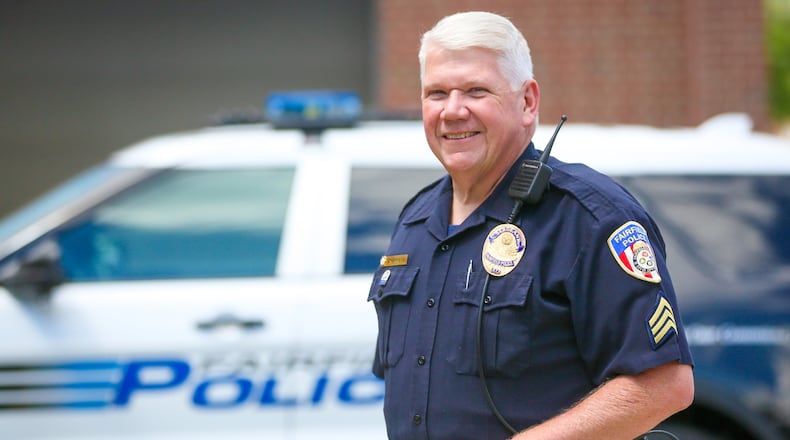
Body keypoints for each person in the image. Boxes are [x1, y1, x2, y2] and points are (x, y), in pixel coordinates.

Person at [368, 10, 694, 440]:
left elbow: (664, 384)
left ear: (527, 102)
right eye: (436, 93)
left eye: (475, 91)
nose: (452, 111)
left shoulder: (589, 217)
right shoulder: (416, 221)